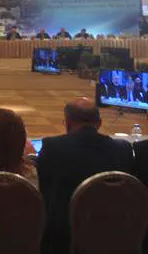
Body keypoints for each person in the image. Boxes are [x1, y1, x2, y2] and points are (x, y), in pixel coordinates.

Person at [37, 97, 134, 254]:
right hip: (113, 232)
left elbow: (42, 188)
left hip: (64, 237)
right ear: (99, 123)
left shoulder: (52, 147)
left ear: (67, 123)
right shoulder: (123, 149)